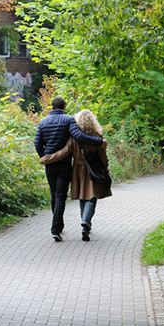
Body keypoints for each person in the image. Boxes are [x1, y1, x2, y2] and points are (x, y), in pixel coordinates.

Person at [35, 97, 106, 242]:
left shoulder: (42, 122)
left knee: (54, 195)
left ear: (52, 106)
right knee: (61, 196)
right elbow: (79, 136)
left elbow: (37, 143)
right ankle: (58, 228)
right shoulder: (68, 120)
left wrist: (44, 156)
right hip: (65, 165)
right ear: (64, 106)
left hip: (51, 163)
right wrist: (99, 142)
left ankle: (58, 227)